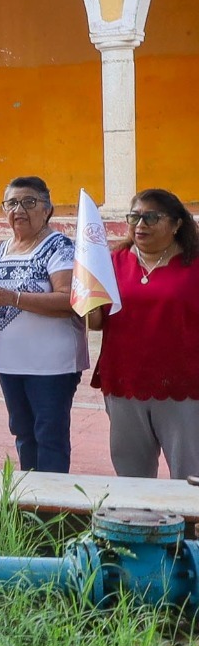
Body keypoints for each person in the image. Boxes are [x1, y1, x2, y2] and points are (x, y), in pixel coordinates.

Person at [88, 189, 199, 480]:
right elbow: (97, 321)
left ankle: (187, 526)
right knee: (130, 475)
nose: (140, 225)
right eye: (134, 217)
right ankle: (139, 527)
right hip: (124, 381)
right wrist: (87, 304)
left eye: (151, 217)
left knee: (189, 474)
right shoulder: (112, 262)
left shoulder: (194, 265)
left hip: (184, 385)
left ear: (176, 224)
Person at [0, 177, 87, 473]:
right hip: (10, 362)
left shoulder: (59, 247)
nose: (19, 210)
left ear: (47, 209)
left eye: (29, 202)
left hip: (51, 364)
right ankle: (30, 503)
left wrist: (13, 297)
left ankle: (53, 509)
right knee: (23, 434)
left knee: (49, 436)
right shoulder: (0, 250)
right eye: (12, 203)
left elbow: (70, 301)